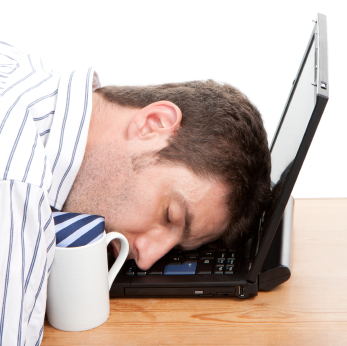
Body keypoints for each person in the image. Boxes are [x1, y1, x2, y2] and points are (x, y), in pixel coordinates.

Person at [0, 41, 270, 345]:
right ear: (153, 124)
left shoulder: (23, 72)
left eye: (176, 248)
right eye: (170, 215)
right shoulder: (18, 186)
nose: (145, 259)